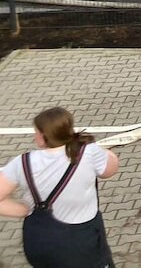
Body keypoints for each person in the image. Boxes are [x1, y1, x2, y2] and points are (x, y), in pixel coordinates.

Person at [0, 106, 120, 267]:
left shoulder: (22, 162)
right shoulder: (88, 153)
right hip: (83, 242)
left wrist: (25, 210)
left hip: (40, 243)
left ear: (44, 135)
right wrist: (104, 152)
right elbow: (110, 170)